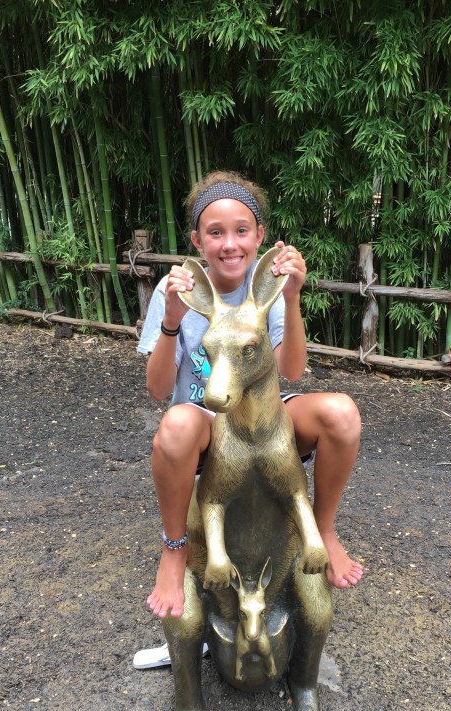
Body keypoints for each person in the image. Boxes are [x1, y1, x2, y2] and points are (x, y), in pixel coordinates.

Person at [137, 171, 363, 619]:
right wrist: (172, 321)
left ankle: (324, 529)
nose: (230, 244)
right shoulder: (178, 290)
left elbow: (291, 371)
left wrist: (292, 298)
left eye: (241, 231)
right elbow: (158, 390)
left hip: (264, 418)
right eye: (215, 233)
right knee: (176, 424)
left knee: (341, 413)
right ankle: (174, 547)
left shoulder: (267, 290)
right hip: (207, 420)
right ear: (196, 240)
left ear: (259, 236)